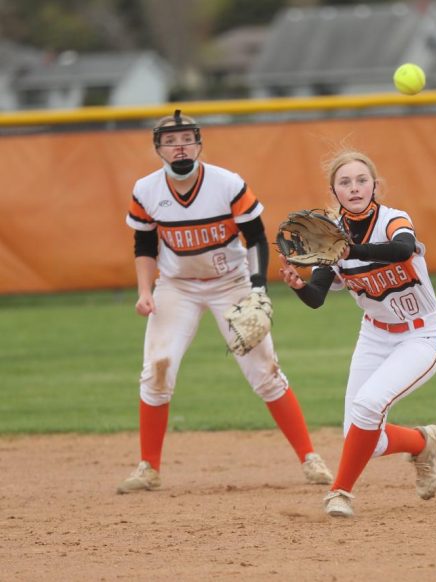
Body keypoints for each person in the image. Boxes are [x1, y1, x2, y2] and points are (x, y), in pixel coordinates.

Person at [119, 110, 333, 493]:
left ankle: (309, 457)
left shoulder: (226, 183)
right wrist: (145, 291)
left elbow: (254, 236)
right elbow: (144, 244)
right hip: (177, 285)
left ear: (199, 143)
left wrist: (256, 288)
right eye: (170, 140)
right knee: (157, 368)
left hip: (230, 281)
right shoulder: (146, 190)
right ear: (158, 149)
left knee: (265, 372)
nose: (179, 146)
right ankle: (148, 467)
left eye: (186, 138)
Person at [279, 149, 436, 518]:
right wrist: (297, 284)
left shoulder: (393, 220)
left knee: (369, 407)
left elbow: (402, 249)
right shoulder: (328, 239)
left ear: (374, 185)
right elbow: (316, 298)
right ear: (334, 191)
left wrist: (348, 248)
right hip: (374, 335)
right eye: (345, 182)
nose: (354, 188)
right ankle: (422, 442)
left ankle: (340, 493)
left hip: (421, 334)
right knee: (363, 437)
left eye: (361, 180)